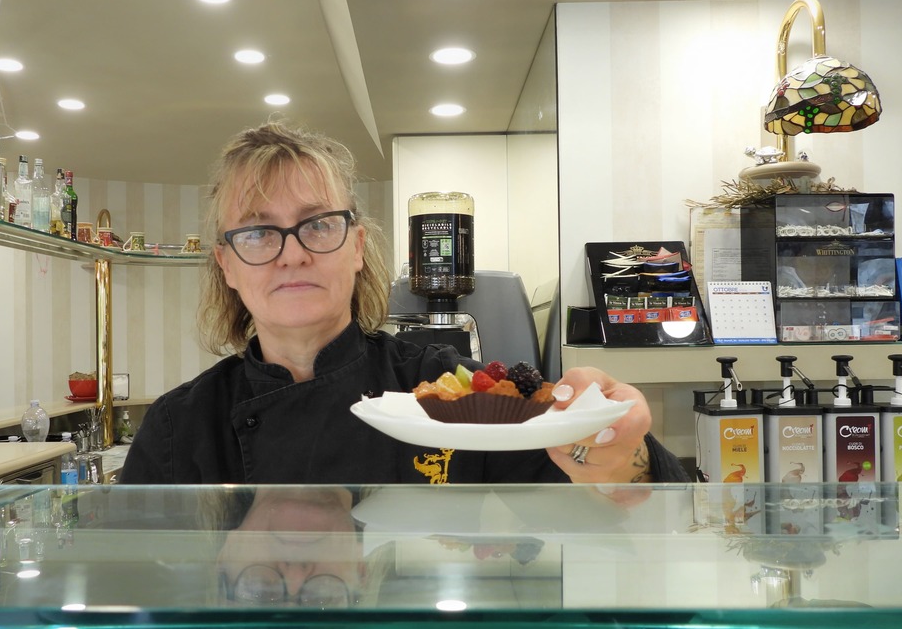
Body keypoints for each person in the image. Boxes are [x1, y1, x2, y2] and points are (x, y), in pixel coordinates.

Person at [119, 121, 689, 486]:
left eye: (317, 224)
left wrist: (619, 460)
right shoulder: (178, 426)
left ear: (358, 247)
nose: (291, 255)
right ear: (227, 265)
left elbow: (630, 504)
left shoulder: (450, 389)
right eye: (258, 232)